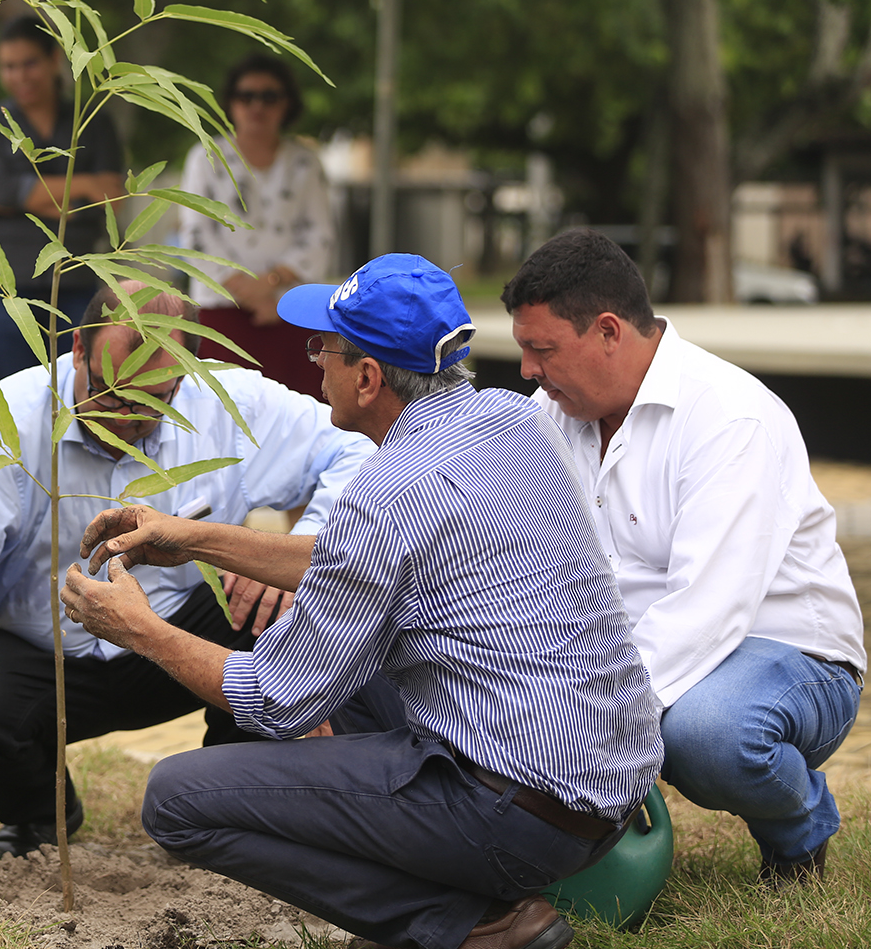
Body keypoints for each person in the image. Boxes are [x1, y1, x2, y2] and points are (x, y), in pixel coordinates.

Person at [60, 254, 663, 949]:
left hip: (519, 819)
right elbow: (362, 567)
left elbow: (276, 698)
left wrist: (138, 629)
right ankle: (463, 876)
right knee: (352, 659)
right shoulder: (512, 421)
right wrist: (197, 539)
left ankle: (474, 925)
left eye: (325, 348)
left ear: (369, 378)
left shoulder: (387, 494)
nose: (313, 360)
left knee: (177, 800)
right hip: (604, 793)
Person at [0, 280, 376, 860]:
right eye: (110, 393)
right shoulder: (10, 425)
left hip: (185, 635)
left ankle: (234, 806)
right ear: (77, 350)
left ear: (185, 372)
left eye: (150, 404)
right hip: (43, 656)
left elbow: (359, 452)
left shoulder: (229, 404)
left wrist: (296, 549)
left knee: (287, 622)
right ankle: (40, 817)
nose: (125, 418)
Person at [502, 227, 865, 885]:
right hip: (644, 652)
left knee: (708, 735)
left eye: (542, 350)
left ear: (609, 331)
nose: (527, 369)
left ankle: (802, 828)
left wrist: (589, 715)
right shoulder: (551, 414)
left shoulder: (729, 417)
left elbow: (710, 610)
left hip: (789, 654)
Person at [0, 13, 124, 379]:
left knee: (81, 396)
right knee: (8, 401)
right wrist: (84, 185)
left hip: (76, 282)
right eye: (8, 66)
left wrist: (11, 202)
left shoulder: (93, 120)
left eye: (30, 63)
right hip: (1, 286)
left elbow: (110, 199)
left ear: (54, 60)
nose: (20, 76)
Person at [177, 53, 334, 399]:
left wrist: (272, 286)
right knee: (221, 412)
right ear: (231, 103)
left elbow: (319, 235)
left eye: (269, 96)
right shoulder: (205, 157)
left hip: (287, 311)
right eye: (245, 96)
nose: (256, 107)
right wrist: (244, 289)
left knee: (295, 413)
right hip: (221, 309)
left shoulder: (306, 163)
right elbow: (195, 233)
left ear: (287, 104)